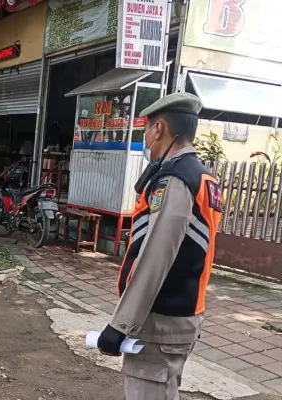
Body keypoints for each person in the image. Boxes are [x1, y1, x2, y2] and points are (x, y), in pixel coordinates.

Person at [96, 93, 224, 399]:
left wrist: (121, 324)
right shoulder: (205, 177)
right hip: (183, 312)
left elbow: (156, 255)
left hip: (160, 322)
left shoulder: (175, 180)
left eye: (146, 131)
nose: (146, 141)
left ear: (158, 129)